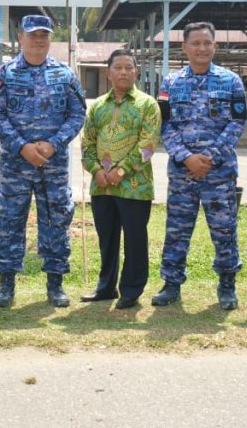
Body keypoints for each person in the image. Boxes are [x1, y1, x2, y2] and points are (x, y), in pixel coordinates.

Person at [0, 14, 86, 308]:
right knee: (10, 221)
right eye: (33, 34)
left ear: (50, 39)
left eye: (44, 35)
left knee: (57, 220)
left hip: (53, 165)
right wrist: (22, 146)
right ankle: (6, 285)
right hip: (16, 164)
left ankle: (55, 285)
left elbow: (77, 114)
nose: (38, 40)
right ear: (21, 37)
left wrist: (53, 144)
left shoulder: (65, 74)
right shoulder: (5, 73)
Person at [154, 21, 247, 310]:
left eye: (207, 43)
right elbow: (164, 124)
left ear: (215, 46)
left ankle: (227, 284)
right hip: (182, 173)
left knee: (223, 229)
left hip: (218, 173)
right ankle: (171, 285)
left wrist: (210, 158)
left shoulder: (232, 81)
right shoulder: (169, 84)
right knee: (177, 230)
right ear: (185, 47)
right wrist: (186, 157)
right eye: (195, 43)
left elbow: (237, 121)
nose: (202, 48)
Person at [80, 48, 160, 309]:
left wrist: (120, 171)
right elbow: (87, 143)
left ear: (137, 72)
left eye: (129, 67)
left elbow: (147, 146)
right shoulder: (97, 107)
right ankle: (106, 287)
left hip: (135, 186)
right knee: (107, 238)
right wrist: (96, 171)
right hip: (102, 186)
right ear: (109, 72)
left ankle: (132, 290)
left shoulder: (147, 105)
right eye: (118, 67)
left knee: (135, 238)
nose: (124, 72)